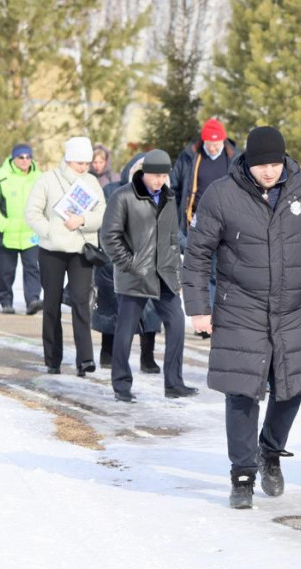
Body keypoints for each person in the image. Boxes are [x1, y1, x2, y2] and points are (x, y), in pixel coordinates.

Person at [182, 126, 301, 509]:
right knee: (241, 391)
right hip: (240, 306)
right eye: (261, 165)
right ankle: (242, 475)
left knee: (294, 386)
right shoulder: (222, 194)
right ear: (248, 163)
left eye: (274, 164)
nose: (268, 172)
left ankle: (270, 450)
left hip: (292, 306)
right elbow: (199, 253)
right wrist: (199, 308)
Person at [100, 150, 198, 402]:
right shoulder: (122, 197)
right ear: (144, 173)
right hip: (134, 277)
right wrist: (130, 265)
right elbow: (109, 237)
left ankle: (174, 383)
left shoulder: (169, 196)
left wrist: (176, 274)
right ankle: (121, 385)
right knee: (125, 331)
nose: (159, 180)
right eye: (155, 175)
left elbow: (173, 240)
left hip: (164, 275)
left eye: (163, 175)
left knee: (176, 325)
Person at [25, 136, 106, 377]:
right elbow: (32, 213)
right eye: (79, 163)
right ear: (68, 160)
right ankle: (53, 358)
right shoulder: (48, 180)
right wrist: (50, 231)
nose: (84, 167)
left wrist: (82, 220)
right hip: (52, 251)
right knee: (51, 303)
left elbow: (102, 212)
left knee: (81, 302)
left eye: (87, 163)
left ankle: (85, 359)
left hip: (81, 250)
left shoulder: (91, 183)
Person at [92, 153, 162, 374]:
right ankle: (107, 351)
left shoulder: (161, 194)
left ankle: (147, 355)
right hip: (114, 258)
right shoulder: (111, 190)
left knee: (150, 308)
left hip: (148, 259)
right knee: (111, 305)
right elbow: (103, 223)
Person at [170, 118, 239, 335]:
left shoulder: (234, 158)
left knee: (223, 272)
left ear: (223, 140)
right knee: (203, 271)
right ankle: (205, 321)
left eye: (217, 143)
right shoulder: (191, 156)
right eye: (209, 143)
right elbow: (175, 186)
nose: (213, 147)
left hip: (227, 223)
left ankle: (223, 319)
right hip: (197, 223)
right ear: (203, 141)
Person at [0, 143, 44, 315]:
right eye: (21, 157)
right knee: (6, 271)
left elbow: (48, 202)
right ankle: (6, 302)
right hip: (7, 234)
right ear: (13, 158)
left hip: (31, 234)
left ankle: (32, 300)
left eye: (28, 157)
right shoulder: (0, 177)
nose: (25, 161)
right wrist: (4, 224)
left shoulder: (40, 177)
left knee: (33, 268)